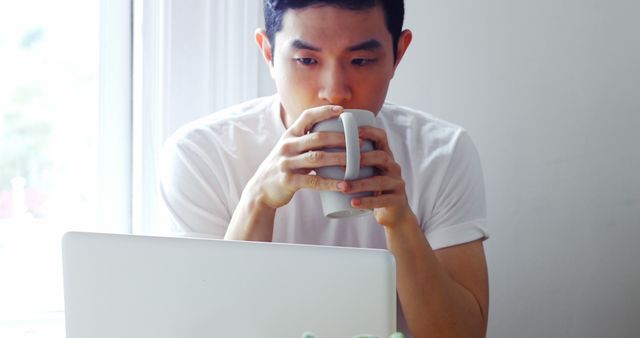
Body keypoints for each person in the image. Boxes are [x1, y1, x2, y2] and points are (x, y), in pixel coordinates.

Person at [160, 0, 489, 337]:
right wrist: (257, 201)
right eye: (306, 60)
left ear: (398, 54)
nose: (335, 91)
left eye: (360, 60)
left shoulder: (441, 153)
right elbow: (209, 328)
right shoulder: (202, 154)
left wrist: (401, 221)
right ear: (268, 53)